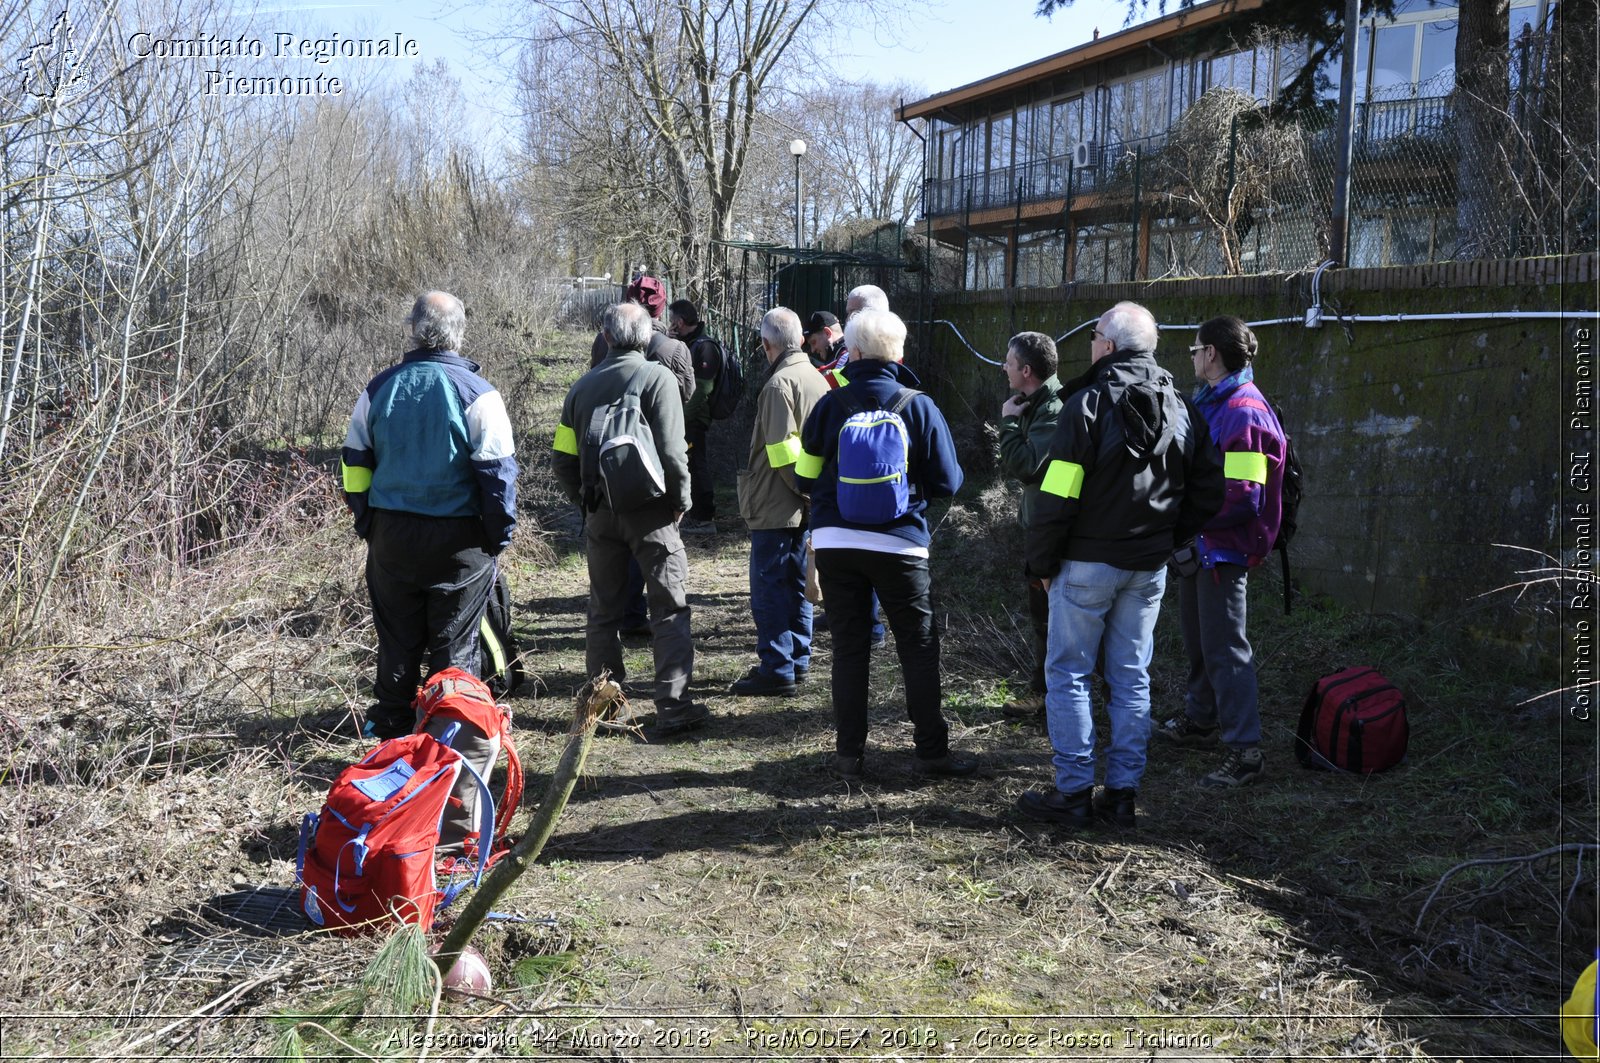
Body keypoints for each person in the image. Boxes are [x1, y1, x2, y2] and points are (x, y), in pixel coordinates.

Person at [1016, 301, 1223, 829]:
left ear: (1108, 344)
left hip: (1086, 561)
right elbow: (1208, 491)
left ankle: (1074, 792)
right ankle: (1123, 794)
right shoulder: (1182, 406)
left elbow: (1055, 495)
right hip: (1147, 565)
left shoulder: (1085, 404)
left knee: (1069, 675)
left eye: (1094, 334)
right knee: (1131, 678)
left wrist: (1041, 562)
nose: (1090, 342)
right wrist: (1167, 538)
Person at [796, 308, 974, 780]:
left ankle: (849, 755)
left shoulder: (830, 405)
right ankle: (932, 752)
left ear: (851, 353)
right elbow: (950, 481)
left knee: (850, 649)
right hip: (900, 544)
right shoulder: (919, 405)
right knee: (917, 648)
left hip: (836, 541)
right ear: (898, 353)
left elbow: (804, 476)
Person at [341, 291, 519, 740]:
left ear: (412, 328)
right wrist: (496, 537)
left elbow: (354, 463)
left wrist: (368, 523)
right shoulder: (480, 394)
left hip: (392, 534)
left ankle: (389, 734)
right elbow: (498, 476)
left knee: (397, 641)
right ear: (460, 332)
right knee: (455, 641)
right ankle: (449, 739)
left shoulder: (378, 388)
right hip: (461, 542)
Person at [554, 302, 709, 737]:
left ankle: (604, 708)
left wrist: (586, 501)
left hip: (601, 514)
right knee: (669, 609)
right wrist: (680, 503)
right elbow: (674, 453)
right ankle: (674, 708)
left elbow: (562, 461)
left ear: (605, 337)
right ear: (646, 338)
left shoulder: (580, 388)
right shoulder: (658, 378)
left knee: (603, 611)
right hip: (652, 513)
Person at [1153, 315, 1288, 788]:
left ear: (1211, 354)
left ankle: (1245, 750)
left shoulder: (1244, 411)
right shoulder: (1213, 403)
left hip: (1223, 551)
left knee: (1227, 649)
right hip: (1201, 546)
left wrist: (1183, 513)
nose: (1190, 356)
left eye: (1194, 349)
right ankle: (1201, 720)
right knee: (1199, 640)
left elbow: (1244, 494)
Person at [730, 307, 830, 696]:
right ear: (802, 340)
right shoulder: (817, 379)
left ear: (767, 344)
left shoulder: (778, 386)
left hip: (777, 504)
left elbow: (782, 453)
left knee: (769, 587)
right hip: (807, 503)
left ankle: (777, 666)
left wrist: (802, 489)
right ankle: (798, 658)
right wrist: (814, 494)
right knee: (797, 583)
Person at [590, 275, 694, 633]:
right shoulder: (674, 351)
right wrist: (681, 498)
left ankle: (628, 619)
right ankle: (672, 687)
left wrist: (585, 493)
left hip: (606, 478)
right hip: (656, 480)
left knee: (606, 593)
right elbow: (684, 409)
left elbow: (569, 448)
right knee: (664, 582)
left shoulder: (598, 353)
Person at [994, 331, 1066, 719]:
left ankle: (1048, 695)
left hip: (1051, 530)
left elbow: (1026, 465)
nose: (1003, 367)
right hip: (1042, 526)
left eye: (1008, 362)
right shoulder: (1035, 403)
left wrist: (1007, 424)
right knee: (1043, 615)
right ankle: (1049, 690)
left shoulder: (1052, 409)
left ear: (1025, 370)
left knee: (1049, 617)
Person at [668, 298, 723, 534]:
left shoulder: (704, 347)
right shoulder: (688, 343)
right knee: (689, 463)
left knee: (696, 463)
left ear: (679, 322)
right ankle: (694, 512)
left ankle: (705, 518)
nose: (669, 325)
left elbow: (702, 390)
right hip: (687, 417)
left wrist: (682, 417)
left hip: (694, 420)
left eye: (671, 321)